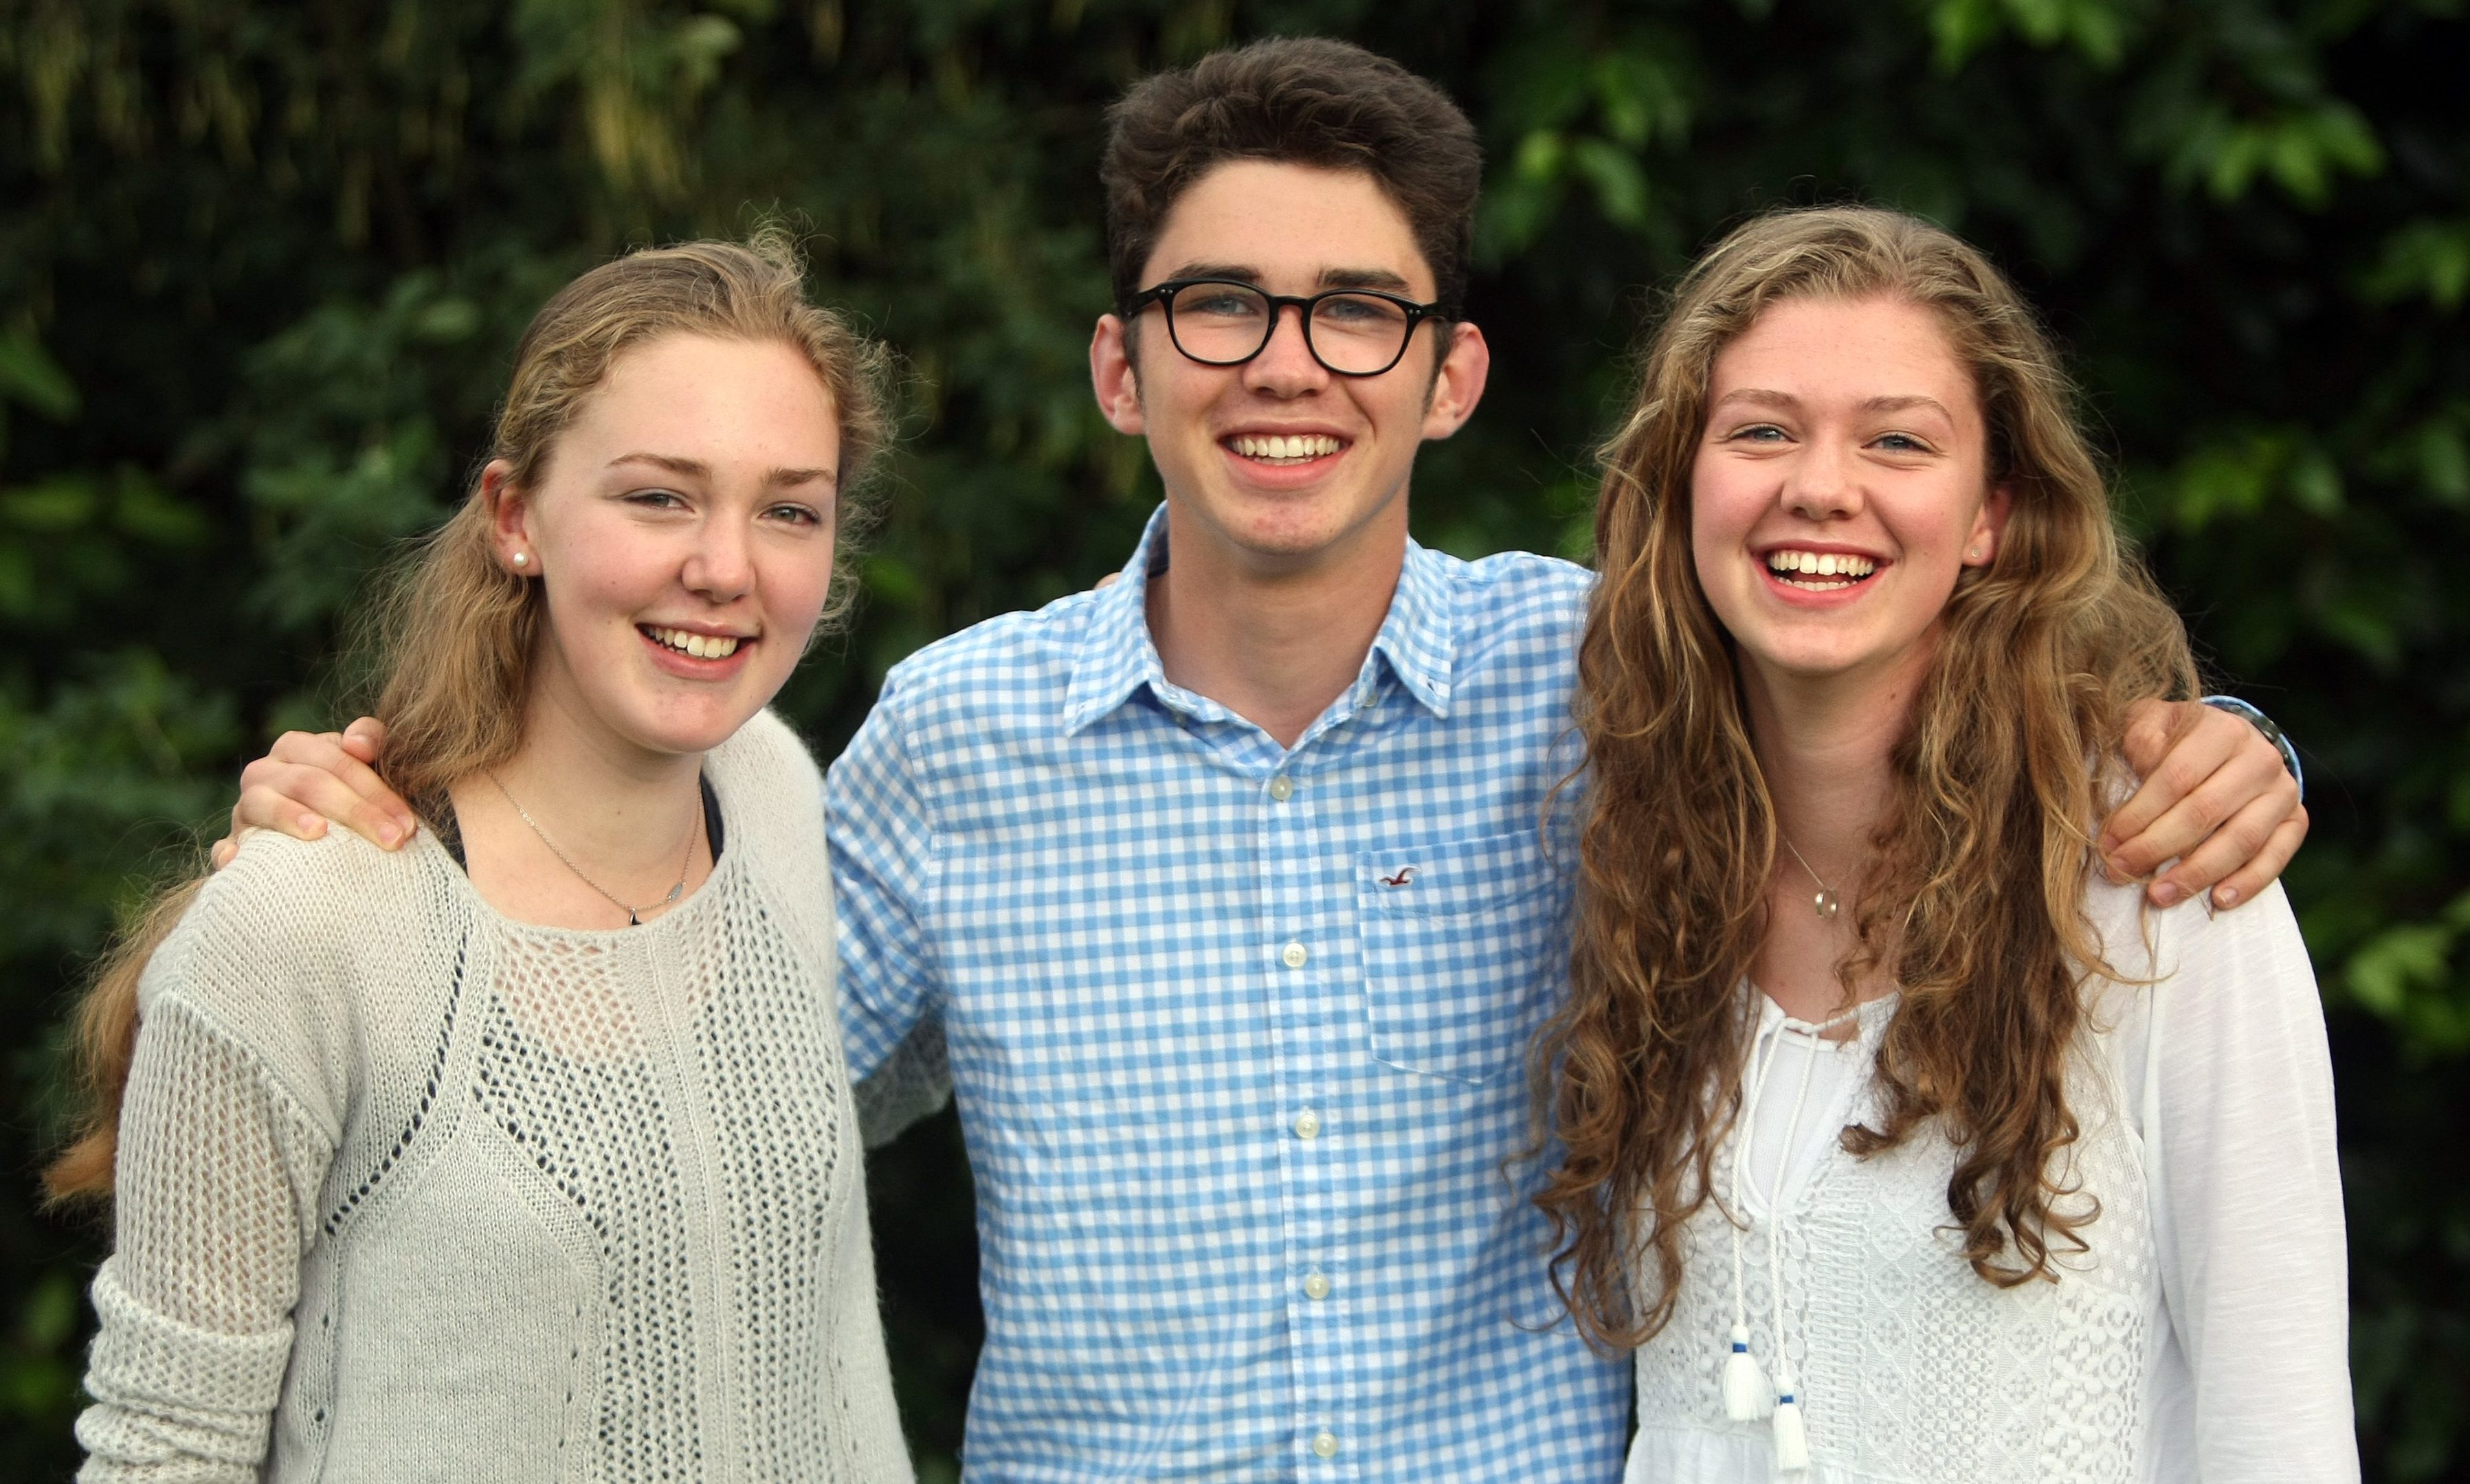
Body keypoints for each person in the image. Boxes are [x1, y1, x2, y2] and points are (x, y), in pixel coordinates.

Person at [214, 40, 2311, 1479]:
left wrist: (2212, 741)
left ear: (1452, 373)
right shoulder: (956, 736)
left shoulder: (1611, 687)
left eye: (1356, 312)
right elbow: (692, 1087)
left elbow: (1922, 678)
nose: (1286, 363)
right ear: (1122, 365)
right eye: (1217, 305)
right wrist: (393, 884)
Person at [50, 237, 914, 1481]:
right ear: (517, 518)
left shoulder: (774, 790)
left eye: (787, 510)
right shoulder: (305, 926)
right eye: (659, 496)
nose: (725, 569)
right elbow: (162, 1452)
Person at [1534, 205, 2353, 1481]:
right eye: (1759, 431)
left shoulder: (2155, 877)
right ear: (1682, 486)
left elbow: (2281, 1422)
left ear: (1988, 516)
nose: (1819, 486)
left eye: (1897, 441)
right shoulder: (1625, 855)